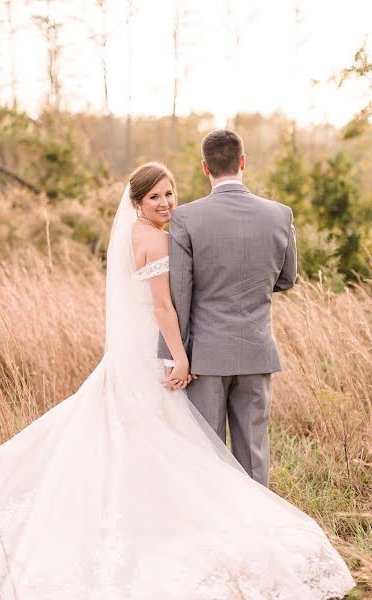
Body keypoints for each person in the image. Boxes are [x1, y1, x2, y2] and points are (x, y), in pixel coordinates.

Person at [0, 160, 354, 599]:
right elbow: (162, 308)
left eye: (170, 193)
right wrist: (180, 357)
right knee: (162, 439)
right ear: (138, 202)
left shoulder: (141, 234)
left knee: (139, 438)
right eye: (155, 196)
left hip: (132, 350)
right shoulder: (154, 240)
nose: (166, 202)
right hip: (153, 351)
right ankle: (175, 526)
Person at [159, 129, 296, 487]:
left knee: (206, 453)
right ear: (243, 162)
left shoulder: (187, 218)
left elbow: (180, 292)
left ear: (205, 167)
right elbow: (286, 279)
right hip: (256, 349)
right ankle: (257, 531)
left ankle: (214, 534)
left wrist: (176, 355)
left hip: (206, 356)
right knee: (253, 452)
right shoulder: (280, 215)